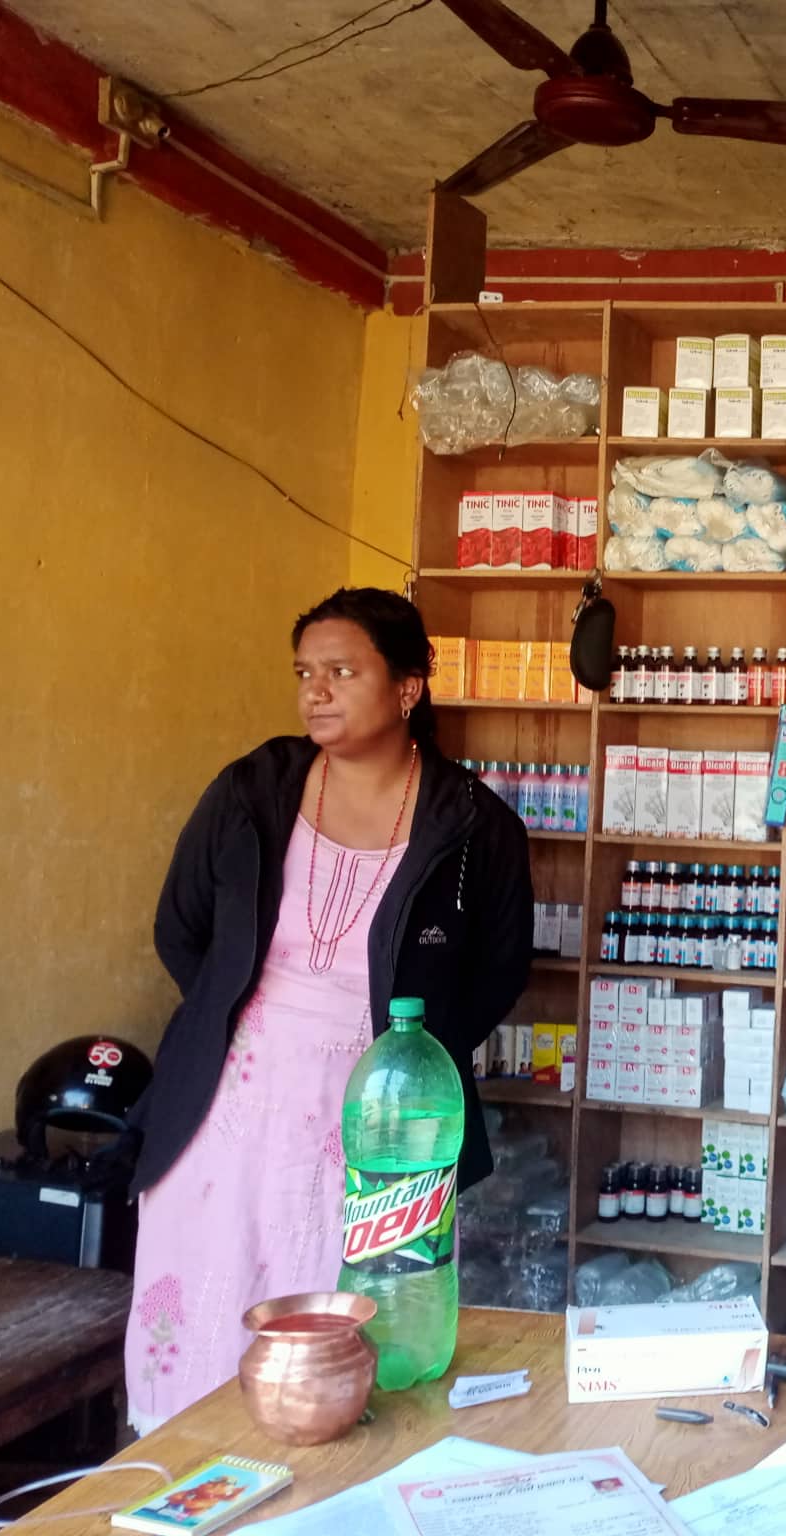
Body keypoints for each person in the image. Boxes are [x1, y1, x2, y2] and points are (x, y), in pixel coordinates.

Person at [123, 588, 532, 1431]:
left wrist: (407, 1058)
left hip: (379, 1116)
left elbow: (498, 971)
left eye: (342, 671)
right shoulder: (253, 790)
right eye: (305, 672)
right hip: (229, 1103)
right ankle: (188, 1474)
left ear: (408, 687)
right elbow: (181, 928)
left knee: (350, 1326)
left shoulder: (472, 824)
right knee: (205, 1309)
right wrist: (244, 1026)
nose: (316, 691)